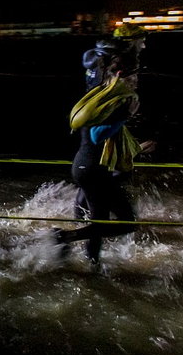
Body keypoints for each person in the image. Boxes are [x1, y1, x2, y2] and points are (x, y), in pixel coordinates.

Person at [54, 57, 156, 265]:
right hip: (92, 169)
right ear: (119, 76)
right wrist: (126, 115)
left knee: (99, 221)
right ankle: (64, 237)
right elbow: (97, 136)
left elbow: (111, 139)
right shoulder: (114, 101)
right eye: (134, 76)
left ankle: (92, 265)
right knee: (127, 223)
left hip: (88, 166)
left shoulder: (103, 97)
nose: (136, 81)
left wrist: (137, 148)